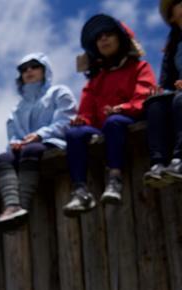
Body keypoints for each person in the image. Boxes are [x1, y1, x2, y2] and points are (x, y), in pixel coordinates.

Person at [63, 14, 156, 215]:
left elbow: (144, 96)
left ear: (121, 39)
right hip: (101, 126)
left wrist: (121, 108)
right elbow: (86, 111)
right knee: (74, 134)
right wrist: (82, 120)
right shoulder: (96, 79)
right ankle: (81, 192)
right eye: (98, 37)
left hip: (128, 119)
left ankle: (114, 180)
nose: (103, 39)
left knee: (113, 122)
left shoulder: (140, 67)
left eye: (108, 34)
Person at [0, 54, 77, 228]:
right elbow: (13, 133)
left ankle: (22, 206)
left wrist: (40, 135)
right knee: (3, 158)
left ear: (45, 69)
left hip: (54, 142)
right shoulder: (17, 108)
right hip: (25, 148)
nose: (29, 71)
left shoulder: (59, 92)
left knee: (30, 150)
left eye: (34, 66)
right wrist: (15, 143)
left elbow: (67, 121)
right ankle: (11, 205)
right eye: (24, 69)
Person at [143, 0, 182, 187]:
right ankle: (158, 164)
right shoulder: (174, 45)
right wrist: (161, 90)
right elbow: (167, 82)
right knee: (155, 104)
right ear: (172, 17)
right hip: (177, 92)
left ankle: (179, 160)